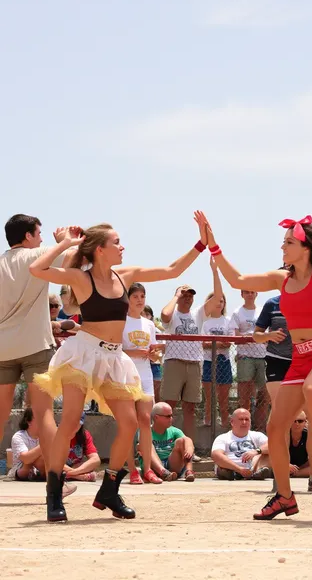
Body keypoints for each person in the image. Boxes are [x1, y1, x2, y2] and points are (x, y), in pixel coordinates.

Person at [30, 212, 209, 522]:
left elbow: (171, 270)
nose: (123, 247)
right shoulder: (80, 278)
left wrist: (201, 243)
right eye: (116, 242)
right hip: (83, 354)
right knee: (70, 421)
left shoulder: (124, 276)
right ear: (100, 249)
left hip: (114, 358)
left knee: (129, 423)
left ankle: (110, 488)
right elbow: (37, 268)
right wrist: (68, 244)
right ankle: (54, 492)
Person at [204, 213, 312, 519]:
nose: (283, 247)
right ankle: (284, 496)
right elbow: (237, 280)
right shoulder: (282, 279)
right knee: (275, 428)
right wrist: (214, 247)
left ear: (305, 247)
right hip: (301, 357)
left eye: (288, 242)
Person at [0, 214, 77, 497]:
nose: (42, 237)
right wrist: (63, 241)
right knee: (45, 414)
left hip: (2, 348)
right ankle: (55, 482)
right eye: (39, 233)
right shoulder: (39, 254)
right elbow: (71, 259)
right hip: (35, 346)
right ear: (29, 236)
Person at [160, 282, 221, 450]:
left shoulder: (198, 313)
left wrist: (215, 270)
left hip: (194, 364)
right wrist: (176, 296)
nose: (188, 299)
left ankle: (189, 448)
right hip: (174, 362)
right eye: (184, 295)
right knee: (167, 407)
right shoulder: (173, 313)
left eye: (190, 296)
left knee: (190, 408)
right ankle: (161, 445)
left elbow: (217, 298)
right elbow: (164, 315)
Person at [123, 282, 163, 484]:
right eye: (136, 296)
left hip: (145, 375)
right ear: (128, 298)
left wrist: (155, 353)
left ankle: (147, 468)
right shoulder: (122, 321)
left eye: (142, 296)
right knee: (129, 424)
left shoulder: (149, 325)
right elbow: (114, 349)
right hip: (126, 375)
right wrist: (134, 352)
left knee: (146, 420)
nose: (139, 300)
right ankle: (132, 469)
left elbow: (155, 354)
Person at [202, 257, 234, 428]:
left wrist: (215, 343)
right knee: (209, 397)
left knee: (223, 397)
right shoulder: (205, 323)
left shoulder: (228, 320)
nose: (219, 303)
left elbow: (228, 342)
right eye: (216, 300)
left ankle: (224, 423)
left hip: (224, 361)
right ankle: (208, 422)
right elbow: (204, 343)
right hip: (208, 361)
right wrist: (217, 343)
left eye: (222, 300)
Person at [229, 291, 268, 430]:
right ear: (242, 294)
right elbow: (236, 336)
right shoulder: (237, 312)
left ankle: (260, 428)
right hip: (245, 356)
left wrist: (253, 337)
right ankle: (244, 427)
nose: (250, 294)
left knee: (264, 394)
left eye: (252, 292)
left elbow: (266, 334)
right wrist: (255, 338)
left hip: (262, 357)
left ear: (257, 294)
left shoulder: (263, 311)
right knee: (244, 396)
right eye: (247, 292)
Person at [253, 293, 292, 402]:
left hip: (302, 360)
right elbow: (256, 336)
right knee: (278, 405)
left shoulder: (308, 302)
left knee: (301, 408)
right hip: (276, 359)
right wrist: (268, 335)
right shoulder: (272, 304)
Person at [211, 408, 271, 480]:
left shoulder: (257, 435)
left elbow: (272, 446)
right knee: (222, 466)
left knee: (267, 454)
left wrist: (256, 451)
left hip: (253, 467)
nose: (244, 422)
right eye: (241, 419)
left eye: (247, 419)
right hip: (231, 469)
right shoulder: (223, 437)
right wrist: (239, 469)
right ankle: (235, 473)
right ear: (232, 422)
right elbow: (216, 455)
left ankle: (256, 473)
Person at [144, 402, 195, 482]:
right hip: (154, 466)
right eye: (168, 416)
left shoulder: (174, 430)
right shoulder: (146, 432)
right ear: (156, 417)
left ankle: (189, 472)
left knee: (182, 441)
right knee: (146, 444)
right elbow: (139, 447)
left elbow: (187, 440)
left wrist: (189, 449)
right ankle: (163, 473)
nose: (171, 419)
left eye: (171, 415)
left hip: (171, 464)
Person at [8, 407, 45, 481]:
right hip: (22, 468)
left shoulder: (44, 435)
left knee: (46, 459)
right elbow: (26, 459)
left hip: (38, 469)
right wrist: (45, 444)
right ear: (29, 421)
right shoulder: (19, 436)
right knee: (38, 459)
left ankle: (71, 473)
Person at [64, 413, 101, 482]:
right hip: (58, 466)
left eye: (77, 423)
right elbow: (50, 460)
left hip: (74, 467)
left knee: (87, 465)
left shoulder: (84, 435)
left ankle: (71, 475)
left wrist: (74, 471)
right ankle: (79, 477)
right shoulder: (56, 432)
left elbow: (96, 459)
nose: (73, 426)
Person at [142, 304, 164, 402]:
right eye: (142, 314)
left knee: (156, 395)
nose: (145, 316)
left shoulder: (156, 330)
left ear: (151, 316)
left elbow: (161, 348)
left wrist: (154, 352)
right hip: (141, 364)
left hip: (154, 365)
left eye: (147, 314)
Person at [289, 411, 310, 478]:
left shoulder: (309, 436)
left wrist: (298, 469)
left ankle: (293, 474)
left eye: (300, 421)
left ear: (305, 422)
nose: (297, 424)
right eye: (294, 421)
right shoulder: (284, 435)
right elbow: (276, 454)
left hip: (301, 467)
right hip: (284, 465)